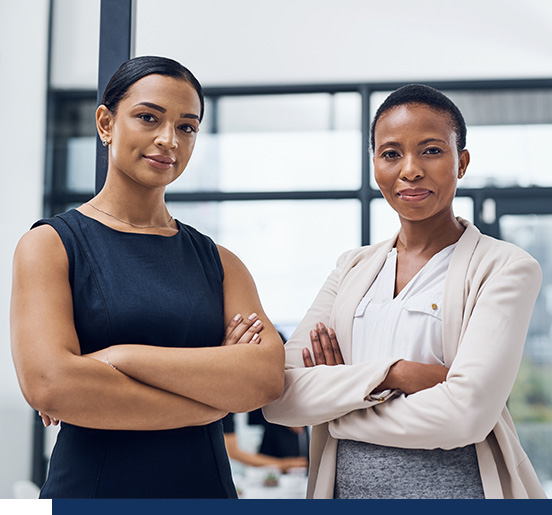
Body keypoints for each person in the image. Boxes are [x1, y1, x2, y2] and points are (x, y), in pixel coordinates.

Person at [10, 56, 284, 499]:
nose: (167, 139)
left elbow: (265, 378)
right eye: (147, 117)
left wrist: (120, 357)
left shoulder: (220, 261)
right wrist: (212, 403)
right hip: (93, 492)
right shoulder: (50, 245)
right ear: (105, 123)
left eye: (187, 127)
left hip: (205, 492)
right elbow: (51, 385)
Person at [263, 84, 547, 499]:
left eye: (431, 150)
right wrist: (398, 374)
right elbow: (280, 397)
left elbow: (464, 415)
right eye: (391, 153)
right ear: (375, 163)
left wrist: (336, 406)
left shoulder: (504, 267)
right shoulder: (352, 267)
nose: (409, 169)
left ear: (461, 162)